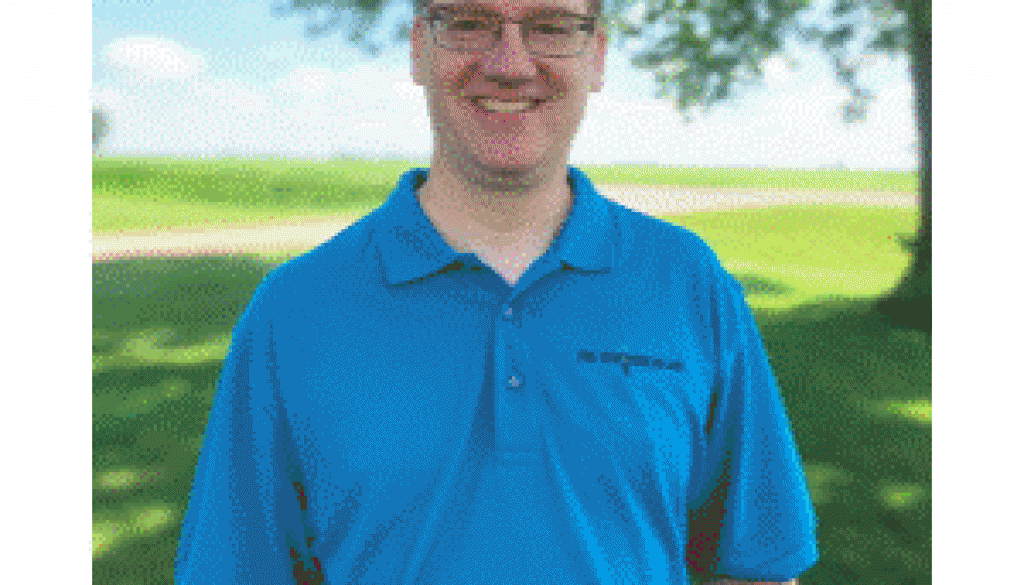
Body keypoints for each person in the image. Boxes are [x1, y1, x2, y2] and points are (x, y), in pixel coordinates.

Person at [174, 0, 819, 583]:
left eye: (551, 26)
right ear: (418, 49)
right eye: (468, 22)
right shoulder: (295, 309)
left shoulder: (687, 283)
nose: (510, 64)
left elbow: (757, 564)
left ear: (596, 55)